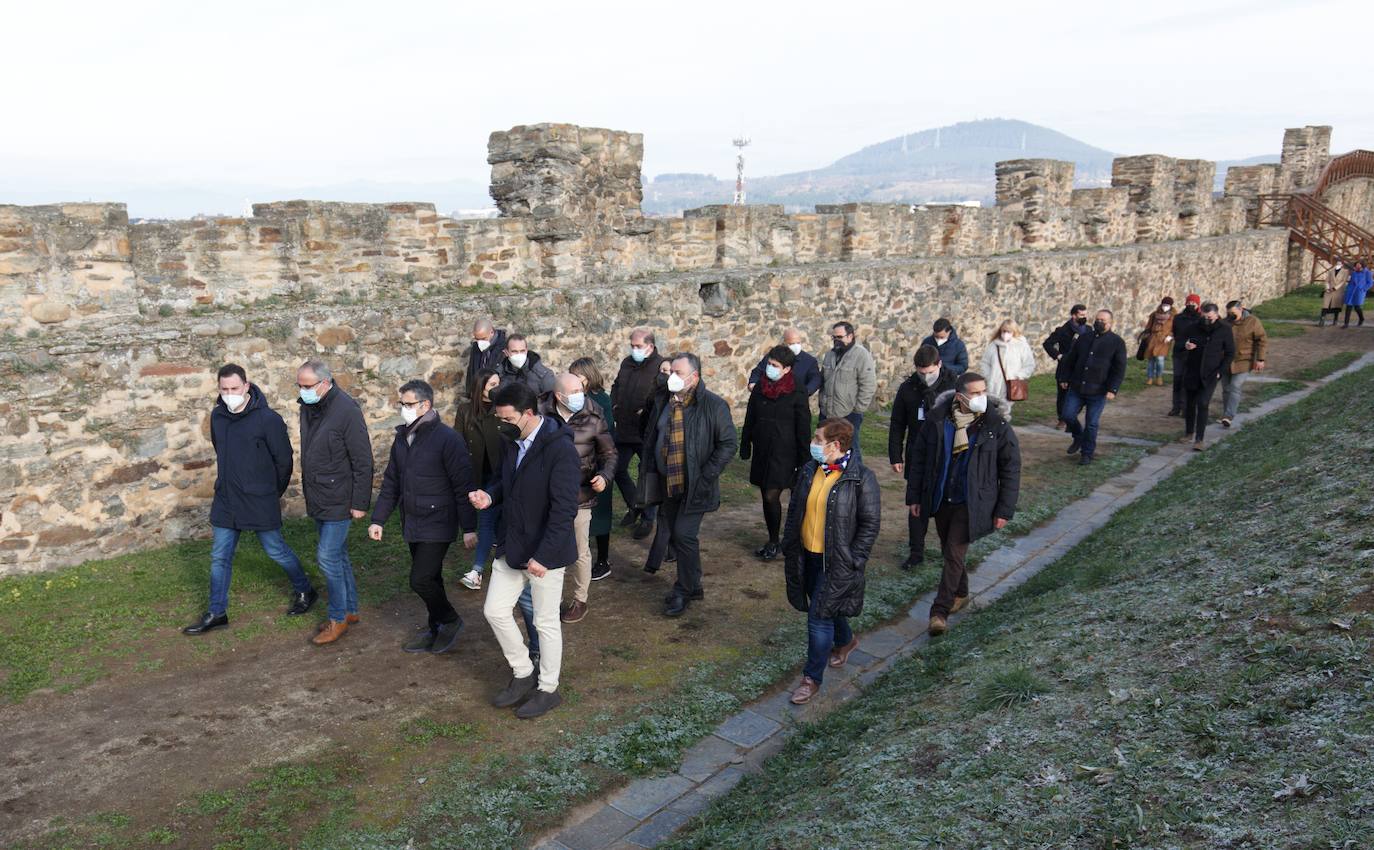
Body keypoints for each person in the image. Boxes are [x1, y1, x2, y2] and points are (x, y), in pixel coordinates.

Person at [469, 382, 580, 720]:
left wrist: (544, 556)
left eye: (508, 418)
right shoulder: (512, 442)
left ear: (529, 414)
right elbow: (508, 481)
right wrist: (491, 496)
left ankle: (548, 688)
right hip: (513, 544)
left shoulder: (560, 449)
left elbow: (564, 509)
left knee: (545, 622)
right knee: (495, 610)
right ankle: (522, 671)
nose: (502, 424)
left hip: (547, 552)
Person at [183, 364, 318, 636]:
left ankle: (305, 590)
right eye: (225, 389)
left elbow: (283, 462)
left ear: (246, 386)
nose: (230, 393)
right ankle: (216, 612)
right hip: (227, 499)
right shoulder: (218, 417)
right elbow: (223, 452)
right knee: (219, 556)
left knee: (275, 550)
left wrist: (270, 492)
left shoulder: (268, 419)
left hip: (259, 499)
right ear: (219, 390)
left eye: (235, 388)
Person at [367, 380, 478, 653]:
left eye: (408, 404)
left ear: (425, 405)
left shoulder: (447, 439)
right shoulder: (403, 438)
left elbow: (462, 485)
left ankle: (450, 620)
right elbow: (392, 480)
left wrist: (470, 527)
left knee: (420, 579)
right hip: (413, 520)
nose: (403, 409)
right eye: (401, 404)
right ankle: (435, 627)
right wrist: (378, 518)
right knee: (432, 577)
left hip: (438, 520)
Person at [906, 372, 1020, 636]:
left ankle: (939, 611)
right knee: (950, 550)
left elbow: (1011, 468)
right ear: (960, 396)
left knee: (953, 554)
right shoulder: (938, 421)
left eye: (984, 391)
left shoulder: (996, 426)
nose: (982, 397)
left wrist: (1004, 509)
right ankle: (962, 592)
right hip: (942, 498)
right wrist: (914, 497)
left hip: (973, 502)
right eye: (976, 392)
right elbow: (919, 461)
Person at [781, 419, 880, 704]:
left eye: (817, 438)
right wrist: (790, 544)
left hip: (836, 562)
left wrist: (854, 559)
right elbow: (796, 510)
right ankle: (846, 641)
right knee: (826, 604)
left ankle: (811, 678)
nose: (812, 443)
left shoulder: (861, 478)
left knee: (819, 617)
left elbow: (870, 523)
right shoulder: (811, 470)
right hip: (806, 554)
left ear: (835, 446)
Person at [636, 352, 737, 617]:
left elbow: (727, 444)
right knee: (680, 536)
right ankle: (694, 584)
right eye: (671, 372)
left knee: (683, 535)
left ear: (694, 377)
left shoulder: (713, 405)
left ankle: (684, 588)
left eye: (678, 373)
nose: (672, 377)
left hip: (696, 485)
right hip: (666, 482)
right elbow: (649, 435)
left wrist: (706, 475)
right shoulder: (663, 401)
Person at [296, 360, 372, 645]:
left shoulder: (346, 410)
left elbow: (362, 459)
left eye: (307, 386)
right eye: (299, 385)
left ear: (325, 383)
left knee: (327, 557)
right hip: (319, 495)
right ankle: (351, 610)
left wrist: (360, 502)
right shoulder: (310, 406)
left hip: (340, 497)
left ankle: (337, 618)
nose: (302, 391)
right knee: (338, 556)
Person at [538, 373, 616, 624]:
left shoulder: (594, 416)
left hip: (579, 495)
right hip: (545, 495)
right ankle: (550, 597)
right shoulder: (539, 413)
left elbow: (610, 453)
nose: (579, 396)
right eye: (573, 392)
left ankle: (580, 599)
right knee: (547, 546)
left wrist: (604, 476)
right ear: (558, 396)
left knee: (580, 550)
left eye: (580, 390)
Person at [888, 344, 957, 570]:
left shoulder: (953, 386)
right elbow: (898, 423)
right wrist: (895, 455)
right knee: (916, 503)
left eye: (929, 372)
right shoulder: (908, 388)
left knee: (945, 504)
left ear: (939, 365)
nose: (925, 377)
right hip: (918, 453)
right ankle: (916, 552)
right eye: (921, 373)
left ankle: (950, 551)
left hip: (947, 454)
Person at [739, 345, 811, 560]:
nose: (769, 368)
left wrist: (804, 457)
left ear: (787, 369)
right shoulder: (761, 386)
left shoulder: (797, 389)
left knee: (781, 494)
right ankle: (773, 540)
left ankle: (795, 540)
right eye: (768, 364)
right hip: (763, 448)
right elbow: (750, 415)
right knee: (767, 495)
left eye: (774, 366)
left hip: (786, 451)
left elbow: (803, 424)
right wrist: (746, 443)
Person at [609, 327, 664, 541]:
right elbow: (616, 386)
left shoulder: (661, 366)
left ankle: (648, 517)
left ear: (650, 346)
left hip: (645, 431)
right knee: (616, 469)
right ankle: (634, 506)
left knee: (647, 474)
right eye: (632, 346)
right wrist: (615, 405)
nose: (634, 350)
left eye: (638, 346)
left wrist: (647, 410)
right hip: (623, 428)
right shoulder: (626, 363)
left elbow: (662, 393)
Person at [1058, 310, 1127, 466]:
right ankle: (1078, 436)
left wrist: (1113, 389)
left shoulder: (1117, 342)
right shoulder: (1084, 338)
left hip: (1098, 390)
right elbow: (1070, 359)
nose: (1099, 322)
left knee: (1092, 423)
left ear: (1110, 322)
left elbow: (1119, 368)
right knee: (1067, 415)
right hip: (1077, 387)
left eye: (1103, 320)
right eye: (1097, 319)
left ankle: (1087, 453)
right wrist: (1064, 377)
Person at [455, 370, 503, 592]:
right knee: (489, 521)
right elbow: (457, 442)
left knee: (486, 520)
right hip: (477, 475)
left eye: (498, 383)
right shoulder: (465, 411)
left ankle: (477, 571)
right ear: (481, 386)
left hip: (499, 474)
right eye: (491, 383)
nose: (496, 387)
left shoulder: (503, 409)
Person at [569, 357, 616, 581]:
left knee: (600, 513)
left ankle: (603, 559)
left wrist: (602, 469)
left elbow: (605, 436)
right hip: (579, 464)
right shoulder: (573, 399)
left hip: (597, 465)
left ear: (588, 377)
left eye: (578, 376)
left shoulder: (601, 400)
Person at [1180, 302, 1234, 451]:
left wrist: (1220, 371)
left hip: (1211, 373)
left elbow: (1230, 352)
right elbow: (1181, 342)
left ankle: (1200, 439)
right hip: (1192, 370)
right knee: (1190, 404)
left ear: (1216, 315)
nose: (1207, 320)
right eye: (1204, 317)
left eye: (1209, 317)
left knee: (1203, 403)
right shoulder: (1194, 327)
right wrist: (1187, 345)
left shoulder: (1224, 329)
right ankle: (1189, 432)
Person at [641, 359, 676, 576]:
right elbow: (647, 424)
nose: (667, 375)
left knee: (667, 514)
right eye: (663, 371)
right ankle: (668, 551)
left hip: (676, 467)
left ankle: (654, 561)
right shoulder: (657, 397)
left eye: (671, 371)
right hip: (657, 462)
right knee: (666, 512)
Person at [819, 321, 877, 431]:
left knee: (850, 446)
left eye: (840, 337)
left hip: (849, 413)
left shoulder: (861, 355)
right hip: (827, 412)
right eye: (834, 337)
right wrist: (822, 403)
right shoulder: (829, 355)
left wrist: (858, 410)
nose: (836, 340)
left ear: (850, 336)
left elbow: (868, 385)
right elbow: (824, 381)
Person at [1220, 300, 1268, 428]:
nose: (1231, 316)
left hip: (1244, 361)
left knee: (1235, 386)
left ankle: (1229, 415)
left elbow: (1262, 340)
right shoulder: (1225, 323)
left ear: (1241, 309)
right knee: (1226, 389)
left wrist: (1260, 359)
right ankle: (1226, 414)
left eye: (1233, 313)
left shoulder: (1253, 322)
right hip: (1226, 361)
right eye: (1228, 313)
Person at [1041, 304, 1089, 426]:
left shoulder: (1089, 330)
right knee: (1063, 395)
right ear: (1074, 315)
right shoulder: (1063, 331)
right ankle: (1062, 419)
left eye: (1085, 314)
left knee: (1080, 395)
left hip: (1082, 368)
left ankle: (1071, 417)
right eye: (1081, 315)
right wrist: (1058, 355)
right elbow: (1048, 344)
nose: (1084, 317)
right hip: (1065, 367)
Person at [978, 319, 1036, 413]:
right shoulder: (993, 345)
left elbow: (1029, 364)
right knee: (990, 409)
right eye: (1004, 331)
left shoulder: (1021, 346)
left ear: (1014, 331)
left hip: (1011, 384)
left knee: (1005, 410)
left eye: (1009, 331)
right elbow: (985, 363)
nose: (1005, 334)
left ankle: (1003, 425)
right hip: (993, 384)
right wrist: (988, 376)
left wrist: (1018, 376)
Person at [747, 327, 821, 396]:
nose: (796, 346)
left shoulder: (809, 361)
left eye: (798, 343)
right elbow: (758, 371)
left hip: (795, 402)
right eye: (791, 344)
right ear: (784, 342)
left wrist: (805, 392)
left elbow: (815, 379)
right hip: (771, 398)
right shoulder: (773, 356)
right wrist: (753, 383)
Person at [1169, 294, 1204, 416]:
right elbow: (1175, 332)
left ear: (1198, 305)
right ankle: (1176, 407)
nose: (1190, 305)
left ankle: (1186, 408)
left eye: (1193, 304)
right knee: (1177, 380)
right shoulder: (1178, 318)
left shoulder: (1201, 319)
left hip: (1193, 354)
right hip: (1179, 352)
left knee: (1187, 381)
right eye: (1189, 303)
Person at [467, 318, 507, 399]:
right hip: (479, 395)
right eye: (477, 339)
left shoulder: (504, 346)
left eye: (483, 338)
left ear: (491, 332)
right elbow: (471, 370)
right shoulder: (476, 346)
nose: (480, 342)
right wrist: (470, 392)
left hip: (497, 395)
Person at [1141, 297, 1175, 386]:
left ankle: (1159, 377)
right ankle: (1150, 378)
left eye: (1167, 305)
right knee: (1151, 360)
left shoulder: (1174, 316)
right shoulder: (1154, 314)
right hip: (1153, 338)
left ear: (1171, 306)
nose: (1165, 307)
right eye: (1164, 305)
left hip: (1164, 340)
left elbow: (1175, 329)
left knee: (1160, 359)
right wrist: (1146, 335)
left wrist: (1170, 336)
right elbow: (1148, 326)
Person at [1343, 260, 1372, 328]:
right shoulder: (1354, 272)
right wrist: (1348, 288)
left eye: (1359, 264)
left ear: (1362, 265)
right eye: (1356, 265)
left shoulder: (1367, 272)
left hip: (1359, 292)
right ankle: (1346, 324)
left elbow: (1370, 282)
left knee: (1357, 307)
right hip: (1351, 291)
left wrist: (1363, 289)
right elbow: (1351, 281)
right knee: (1348, 307)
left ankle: (1361, 319)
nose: (1357, 266)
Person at [1320, 261, 1348, 327]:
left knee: (1336, 306)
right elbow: (1327, 280)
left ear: (1342, 265)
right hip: (1329, 291)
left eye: (1339, 263)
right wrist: (1327, 288)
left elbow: (1343, 281)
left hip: (1338, 291)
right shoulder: (1331, 271)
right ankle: (1322, 320)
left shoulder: (1345, 271)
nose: (1338, 265)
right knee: (1325, 306)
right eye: (1337, 263)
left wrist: (1334, 288)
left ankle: (1335, 320)